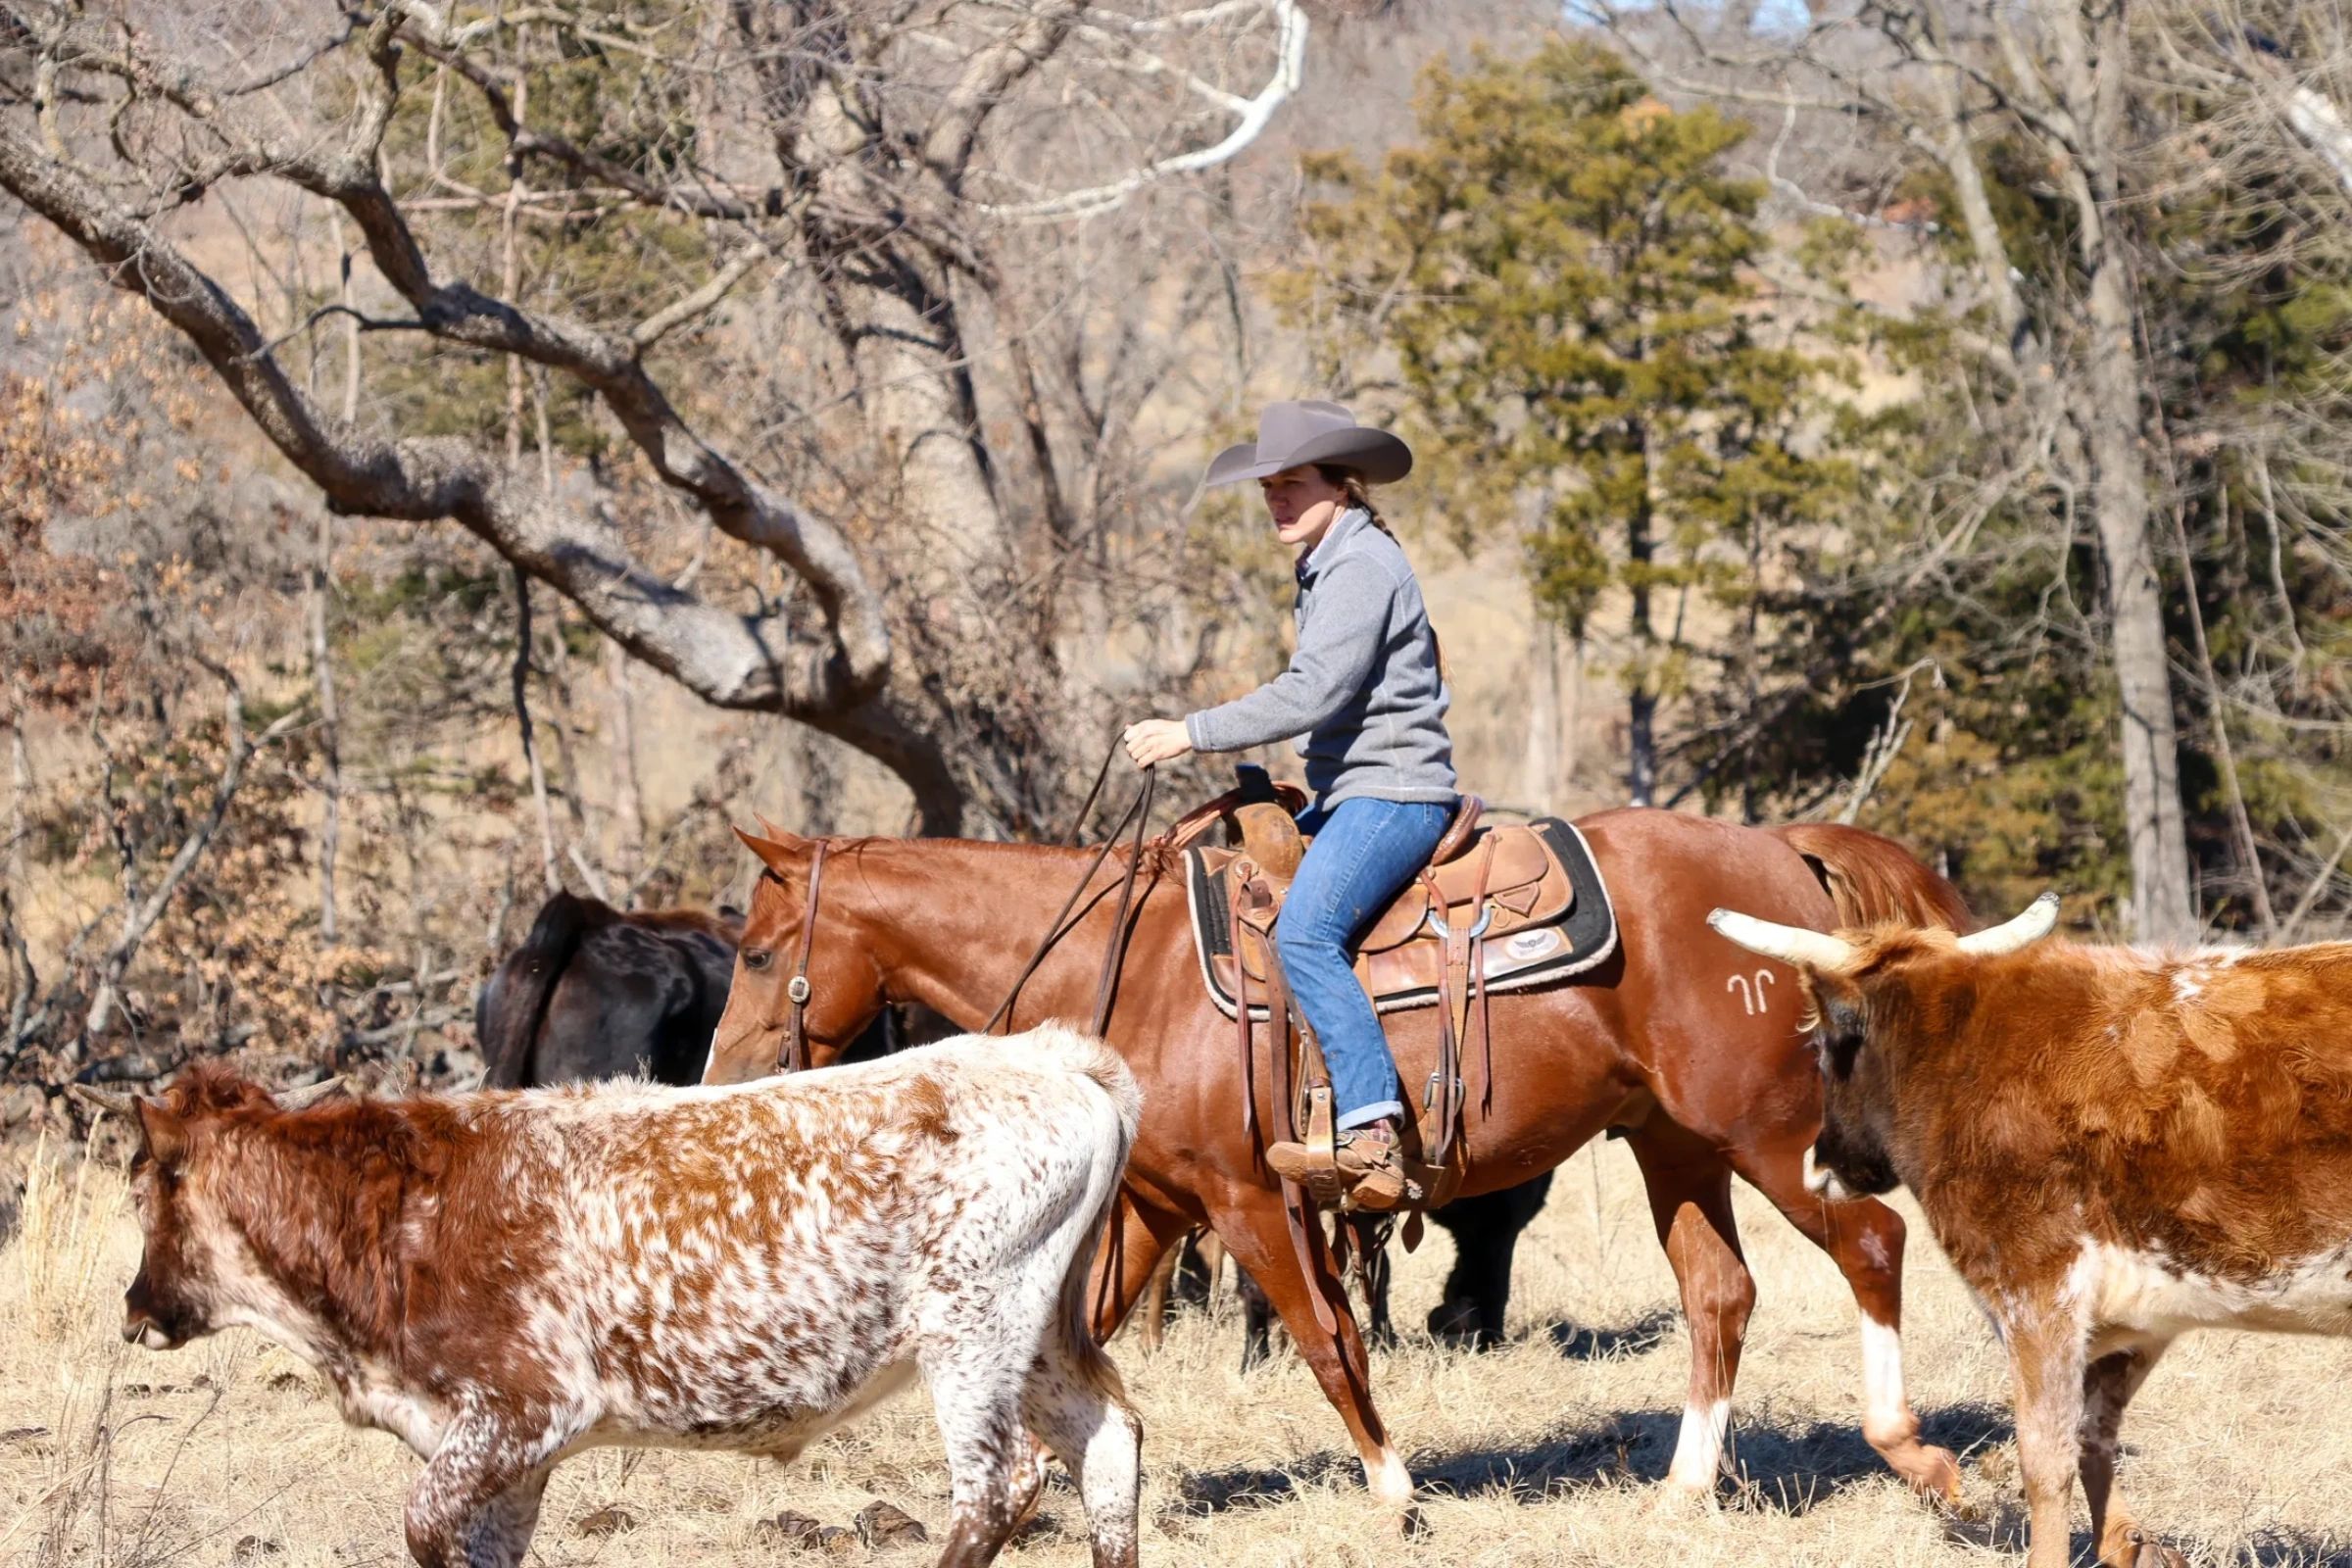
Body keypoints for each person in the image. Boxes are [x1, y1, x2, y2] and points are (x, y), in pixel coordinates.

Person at [1124, 400, 1457, 1210]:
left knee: (1306, 931)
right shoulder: (1322, 562)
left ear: (1340, 485)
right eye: (1269, 486)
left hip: (1394, 790)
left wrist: (1191, 732)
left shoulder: (1360, 566)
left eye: (1294, 483)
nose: (1277, 499)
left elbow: (1315, 692)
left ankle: (1375, 1129)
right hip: (1351, 791)